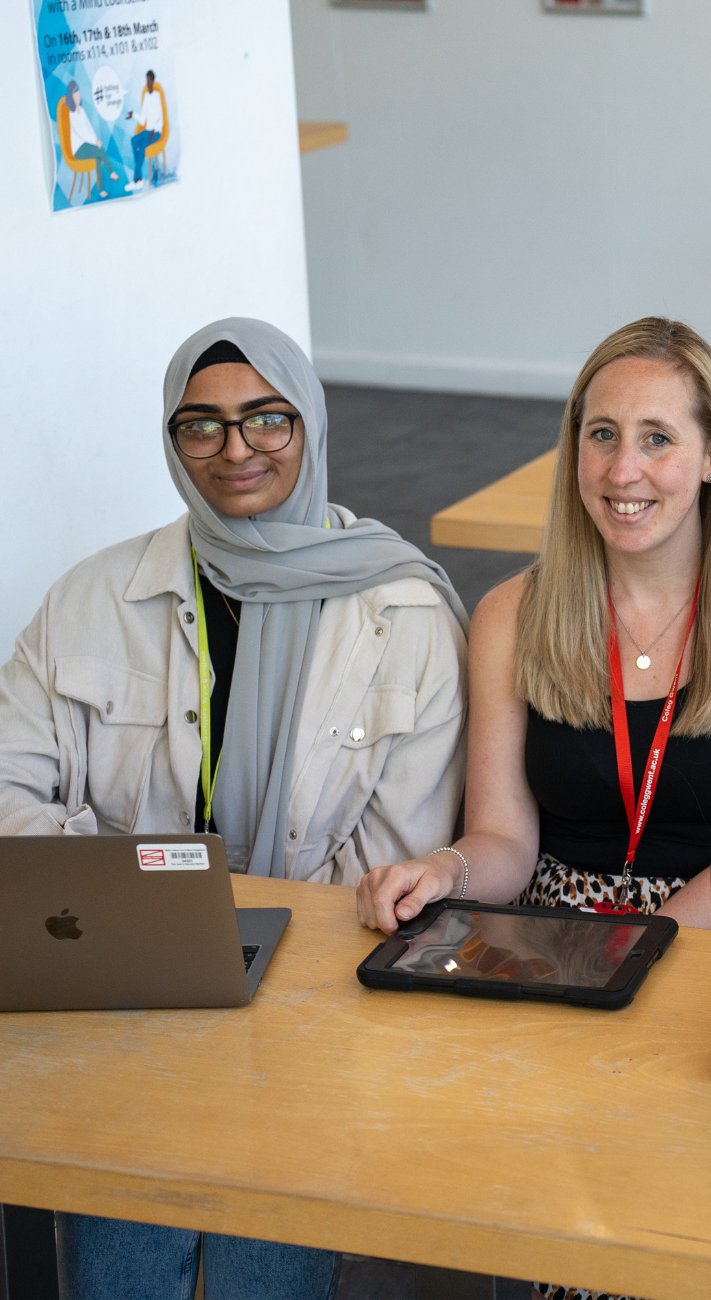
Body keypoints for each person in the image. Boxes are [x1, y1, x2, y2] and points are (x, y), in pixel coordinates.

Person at [0, 317, 469, 1298]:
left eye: (267, 418)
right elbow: (7, 792)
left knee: (262, 1268)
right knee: (122, 1271)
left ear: (310, 423)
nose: (235, 449)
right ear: (172, 443)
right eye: (200, 426)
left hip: (308, 1009)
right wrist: (139, 912)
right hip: (123, 995)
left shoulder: (404, 615)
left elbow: (397, 861)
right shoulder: (90, 599)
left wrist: (238, 957)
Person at [357, 316, 711, 939]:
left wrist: (630, 951)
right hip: (548, 938)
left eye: (657, 439)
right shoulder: (511, 615)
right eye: (603, 435)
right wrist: (444, 872)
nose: (621, 471)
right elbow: (504, 837)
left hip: (710, 936)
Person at [62, 80, 123, 196]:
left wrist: (97, 139)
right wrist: (94, 142)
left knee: (97, 158)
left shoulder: (82, 110)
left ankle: (102, 191)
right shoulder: (71, 114)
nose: (78, 97)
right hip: (78, 149)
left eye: (78, 94)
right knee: (99, 150)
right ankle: (111, 172)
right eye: (75, 95)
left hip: (88, 144)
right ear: (71, 97)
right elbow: (81, 133)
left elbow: (89, 128)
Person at [126, 70, 164, 187]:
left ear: (152, 81)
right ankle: (139, 177)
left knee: (141, 146)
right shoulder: (146, 97)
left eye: (149, 80)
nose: (147, 83)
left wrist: (154, 129)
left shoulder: (157, 96)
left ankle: (136, 180)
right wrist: (134, 115)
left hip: (156, 132)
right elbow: (143, 119)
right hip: (148, 131)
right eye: (146, 81)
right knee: (134, 140)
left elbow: (161, 119)